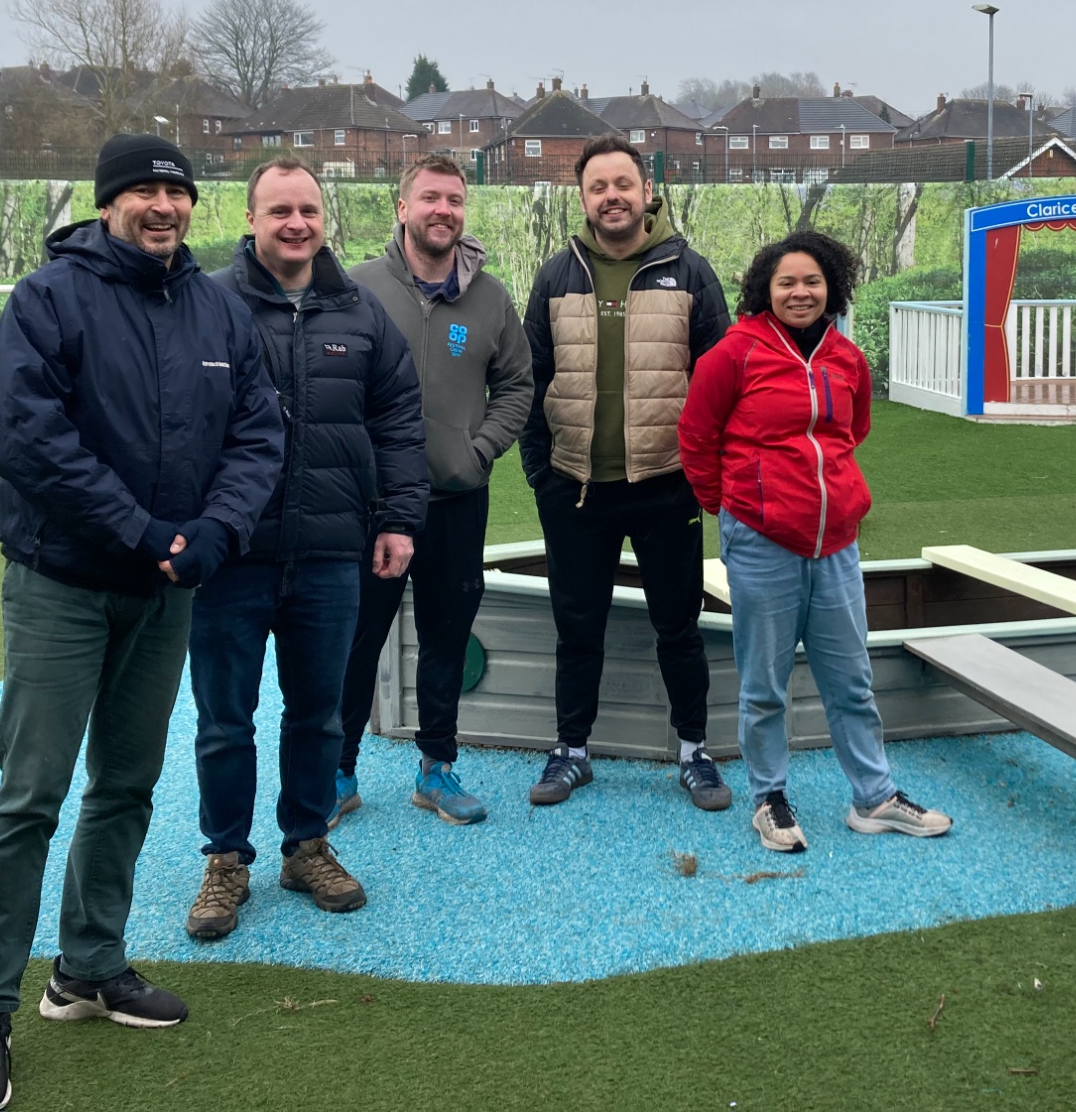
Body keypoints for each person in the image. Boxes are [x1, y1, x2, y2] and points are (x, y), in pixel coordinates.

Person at [0, 134, 283, 1112]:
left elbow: (260, 429)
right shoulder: (48, 300)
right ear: (107, 205)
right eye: (142, 190)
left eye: (175, 191)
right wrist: (140, 530)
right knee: (30, 798)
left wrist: (216, 530)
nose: (161, 206)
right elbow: (25, 438)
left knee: (127, 784)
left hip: (168, 588)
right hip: (63, 581)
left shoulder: (218, 305)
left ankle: (87, 967)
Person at [182, 156, 429, 942]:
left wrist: (396, 520)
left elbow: (397, 421)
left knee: (318, 715)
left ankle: (306, 844)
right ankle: (225, 859)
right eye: (280, 210)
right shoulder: (206, 307)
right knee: (226, 719)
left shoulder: (359, 313)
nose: (296, 224)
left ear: (327, 221)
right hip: (231, 555)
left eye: (309, 211)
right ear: (249, 218)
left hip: (330, 552)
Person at [677, 229, 952, 854]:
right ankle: (768, 799)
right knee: (764, 684)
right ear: (764, 290)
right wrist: (732, 509)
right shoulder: (734, 353)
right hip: (762, 542)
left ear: (831, 286)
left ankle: (874, 799)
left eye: (812, 281)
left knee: (850, 679)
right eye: (786, 282)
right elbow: (695, 436)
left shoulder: (845, 357)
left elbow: (852, 431)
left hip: (834, 545)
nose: (800, 292)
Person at [520, 134, 732, 809]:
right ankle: (571, 750)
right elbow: (531, 380)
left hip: (668, 488)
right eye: (597, 188)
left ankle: (694, 752)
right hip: (576, 490)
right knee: (577, 626)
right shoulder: (558, 275)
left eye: (622, 184)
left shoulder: (689, 271)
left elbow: (721, 383)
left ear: (646, 192)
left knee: (679, 625)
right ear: (583, 199)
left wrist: (704, 476)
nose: (611, 197)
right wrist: (540, 472)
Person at [338, 155, 532, 824]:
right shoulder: (354, 288)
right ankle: (336, 773)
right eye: (430, 197)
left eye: (454, 198)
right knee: (355, 639)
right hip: (369, 507)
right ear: (402, 207)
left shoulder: (490, 299)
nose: (443, 209)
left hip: (454, 502)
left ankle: (436, 769)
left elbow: (517, 388)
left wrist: (477, 452)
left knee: (447, 637)